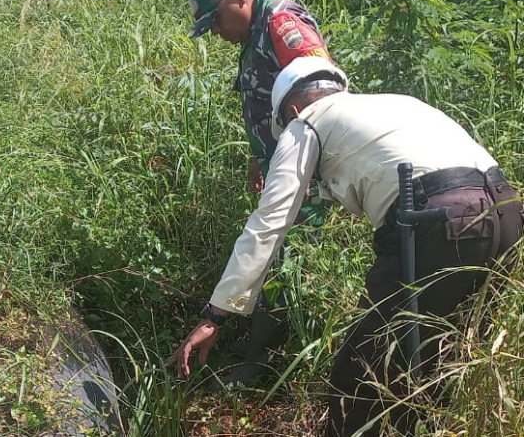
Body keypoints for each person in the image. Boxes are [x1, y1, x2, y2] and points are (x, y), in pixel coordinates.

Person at [167, 56, 523, 436]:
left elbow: (269, 222)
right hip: (508, 214)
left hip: (436, 221)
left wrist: (216, 314)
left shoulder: (304, 123)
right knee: (440, 358)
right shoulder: (395, 103)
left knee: (360, 373)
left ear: (291, 109)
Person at [187, 0, 332, 384]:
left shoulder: (282, 22)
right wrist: (259, 154)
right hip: (283, 167)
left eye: (216, 21)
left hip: (304, 173)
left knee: (281, 258)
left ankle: (263, 362)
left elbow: (322, 93)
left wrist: (306, 171)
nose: (216, 32)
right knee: (273, 255)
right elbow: (267, 101)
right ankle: (262, 343)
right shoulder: (254, 35)